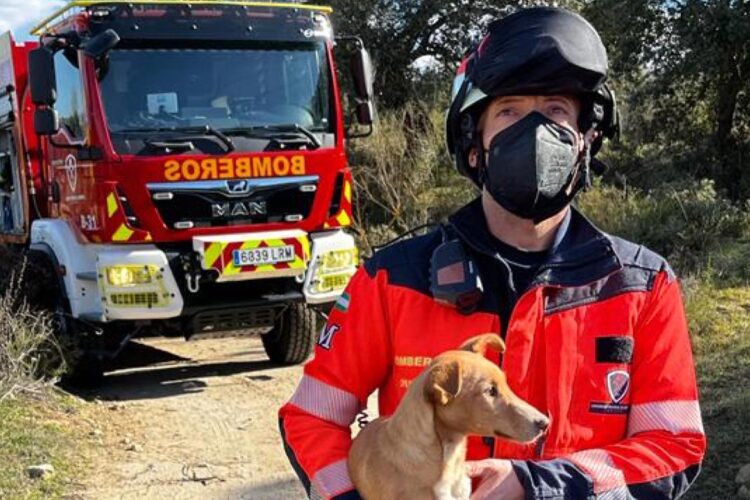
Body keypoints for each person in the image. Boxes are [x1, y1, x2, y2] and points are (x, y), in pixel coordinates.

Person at [279, 7, 706, 500]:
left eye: (555, 110)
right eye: (509, 111)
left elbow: (672, 446)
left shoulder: (641, 285)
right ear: (474, 142)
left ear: (587, 139)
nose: (535, 131)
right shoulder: (391, 280)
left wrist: (538, 485)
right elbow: (312, 419)